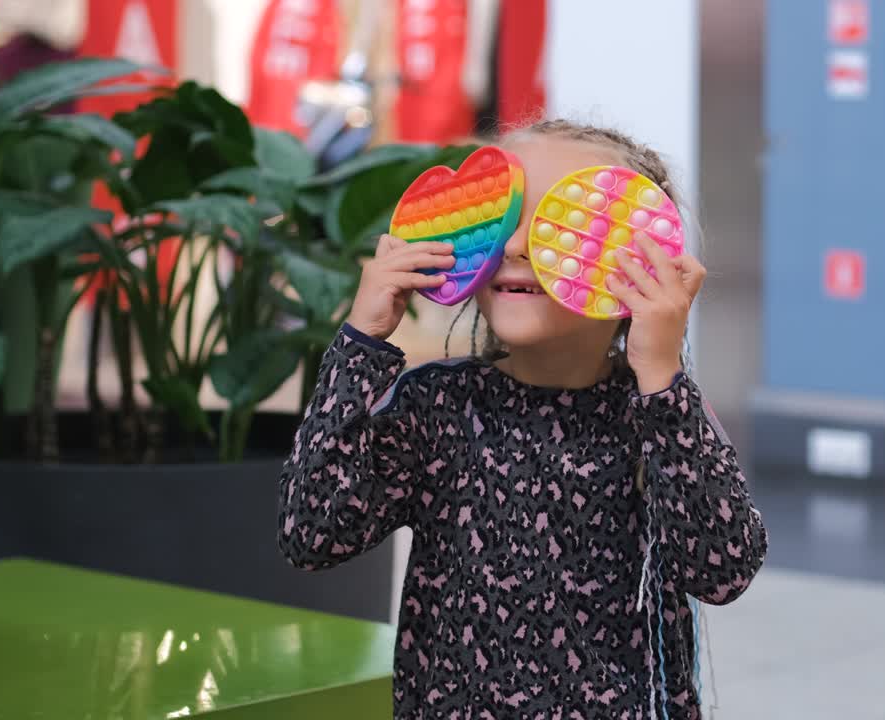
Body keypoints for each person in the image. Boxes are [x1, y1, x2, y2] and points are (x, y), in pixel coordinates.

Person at [278, 119, 767, 719]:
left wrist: (661, 378)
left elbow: (722, 569)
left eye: (558, 228)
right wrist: (361, 343)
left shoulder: (661, 415)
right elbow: (313, 533)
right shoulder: (436, 408)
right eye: (498, 221)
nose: (514, 248)